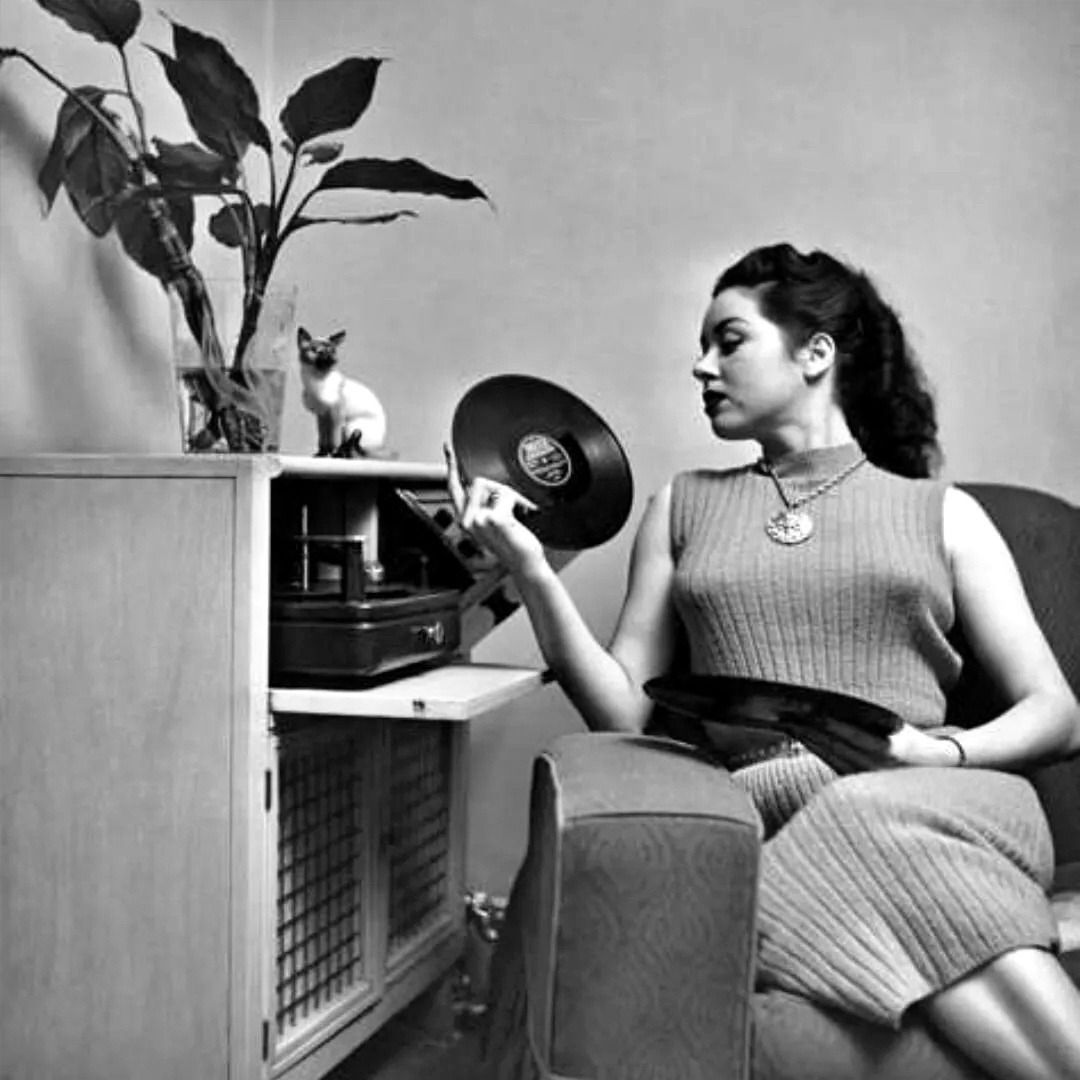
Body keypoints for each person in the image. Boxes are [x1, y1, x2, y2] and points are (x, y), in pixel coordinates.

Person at [446, 241, 1080, 1080]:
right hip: (770, 825)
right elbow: (622, 711)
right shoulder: (684, 507)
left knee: (858, 814)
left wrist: (938, 754)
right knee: (814, 847)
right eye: (702, 346)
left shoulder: (944, 514)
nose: (701, 366)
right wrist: (531, 571)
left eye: (729, 340)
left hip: (942, 797)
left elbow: (1057, 713)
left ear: (815, 354)